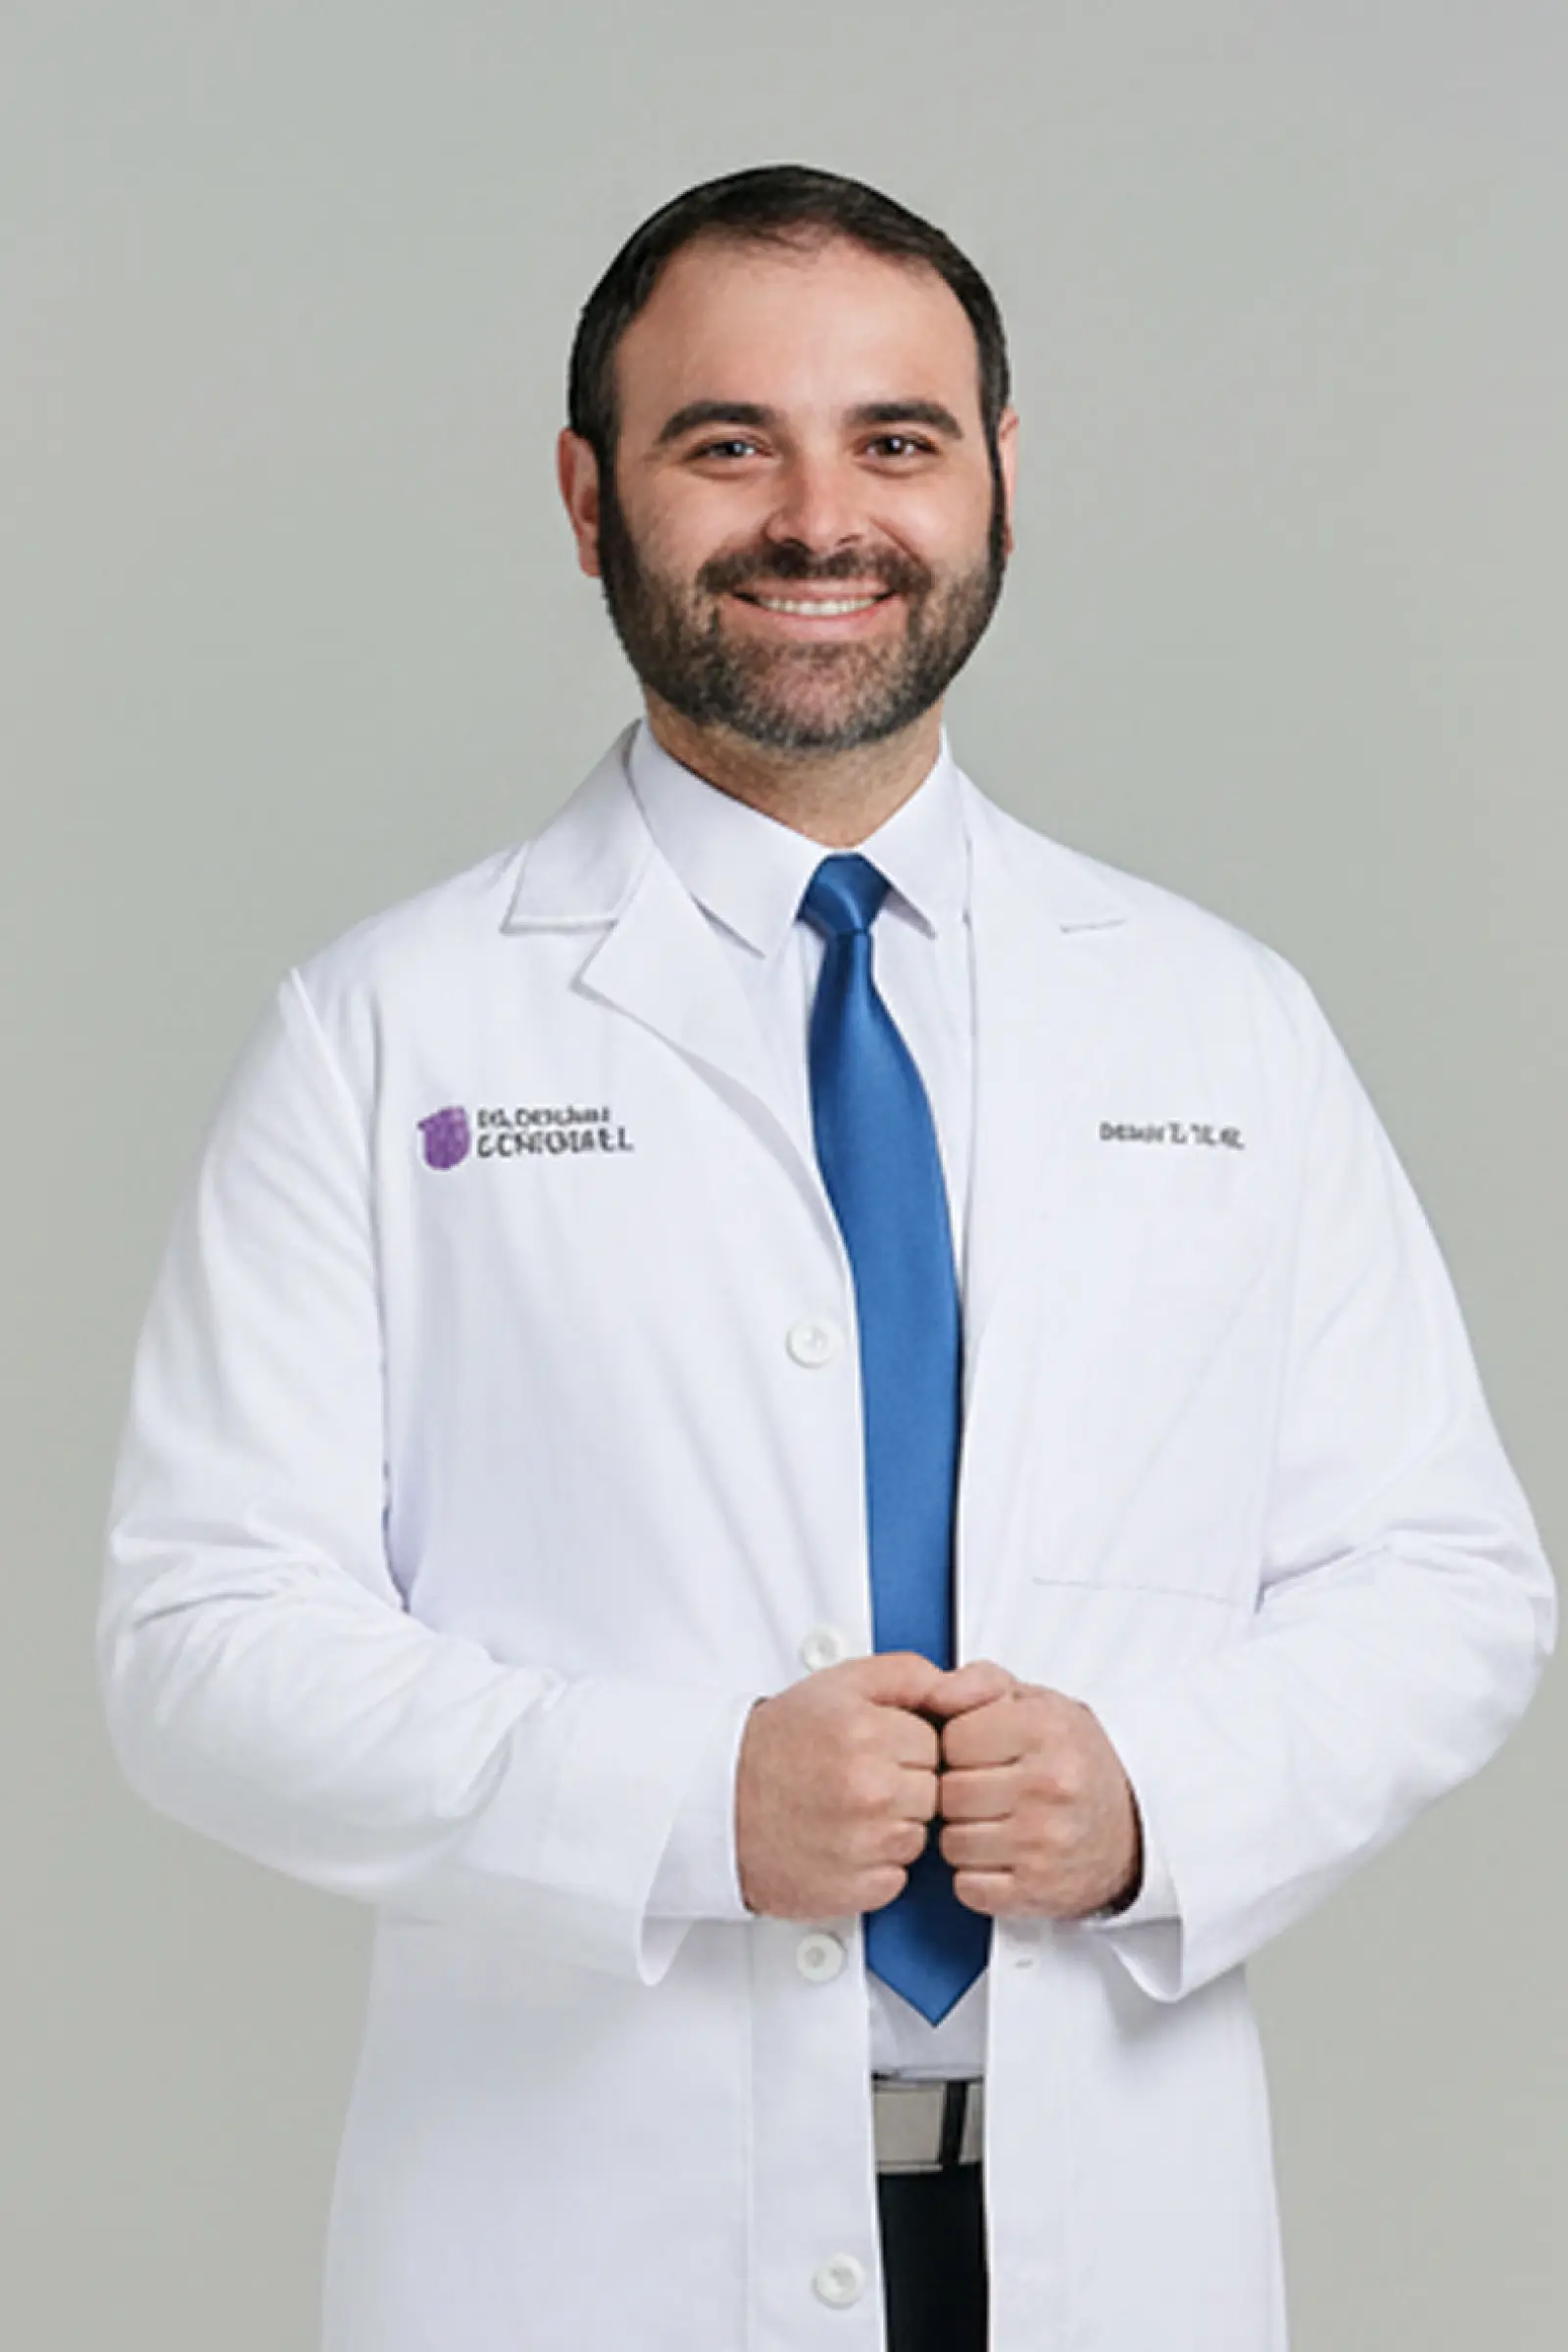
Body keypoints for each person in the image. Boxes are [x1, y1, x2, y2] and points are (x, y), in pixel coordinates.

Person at [97, 164, 1554, 2352]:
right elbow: (200, 1648)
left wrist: (1161, 1795)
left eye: (893, 439)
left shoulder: (1212, 1018)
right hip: (583, 2253)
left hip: (1106, 2241)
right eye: (724, 443)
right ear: (589, 501)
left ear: (992, 480)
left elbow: (1446, 1583)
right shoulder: (387, 1031)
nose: (817, 516)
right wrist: (694, 1805)